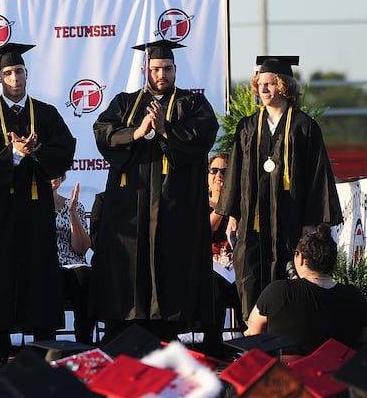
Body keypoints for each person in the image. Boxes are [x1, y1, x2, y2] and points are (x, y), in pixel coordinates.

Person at [91, 39, 219, 342]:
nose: (161, 74)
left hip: (174, 206)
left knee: (170, 266)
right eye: (156, 69)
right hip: (130, 208)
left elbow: (203, 137)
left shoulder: (192, 104)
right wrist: (136, 132)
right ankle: (125, 329)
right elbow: (103, 132)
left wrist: (164, 129)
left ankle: (168, 333)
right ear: (144, 69)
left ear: (175, 69)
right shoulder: (125, 103)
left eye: (167, 69)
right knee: (128, 268)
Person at [0, 43, 76, 368]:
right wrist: (14, 154)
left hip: (38, 207)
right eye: (8, 73)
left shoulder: (46, 113)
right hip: (3, 210)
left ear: (27, 74)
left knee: (41, 273)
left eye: (19, 71)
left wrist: (37, 150)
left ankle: (44, 348)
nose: (14, 78)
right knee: (2, 275)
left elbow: (66, 148)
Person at [216, 56, 343, 323]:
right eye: (260, 84)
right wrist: (232, 215)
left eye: (270, 83)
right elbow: (236, 174)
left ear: (284, 86)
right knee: (250, 275)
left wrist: (310, 224)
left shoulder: (304, 127)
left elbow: (317, 177)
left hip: (291, 222)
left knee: (289, 277)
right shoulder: (248, 126)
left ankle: (287, 340)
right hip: (254, 224)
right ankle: (251, 341)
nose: (263, 89)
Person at [245, 224, 367, 355]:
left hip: (287, 374)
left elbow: (254, 334)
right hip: (336, 373)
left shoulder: (278, 291)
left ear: (301, 258)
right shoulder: (354, 296)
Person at [51, 174, 94, 345]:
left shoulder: (75, 206)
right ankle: (47, 342)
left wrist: (72, 214)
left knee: (84, 274)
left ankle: (84, 341)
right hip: (46, 266)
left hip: (71, 265)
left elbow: (81, 249)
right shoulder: (30, 207)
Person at [207, 153, 242, 343]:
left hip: (237, 268)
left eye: (225, 171)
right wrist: (223, 204)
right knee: (214, 286)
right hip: (212, 270)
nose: (219, 175)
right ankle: (213, 344)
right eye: (214, 170)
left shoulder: (242, 204)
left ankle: (252, 344)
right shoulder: (199, 202)